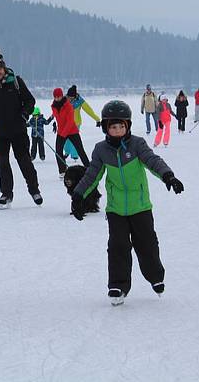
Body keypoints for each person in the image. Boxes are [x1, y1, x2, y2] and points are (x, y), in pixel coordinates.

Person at [70, 100, 184, 306]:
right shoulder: (101, 150)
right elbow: (91, 175)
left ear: (128, 126)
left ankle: (155, 276)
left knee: (147, 245)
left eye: (121, 126)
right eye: (113, 127)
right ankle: (118, 286)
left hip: (140, 207)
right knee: (117, 246)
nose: (117, 130)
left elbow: (152, 160)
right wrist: (78, 196)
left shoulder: (137, 144)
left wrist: (168, 176)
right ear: (106, 128)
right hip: (116, 210)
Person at [0, 49, 42, 208]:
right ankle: (6, 194)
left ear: (4, 69)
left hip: (18, 131)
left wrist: (25, 114)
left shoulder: (16, 82)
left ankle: (34, 190)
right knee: (3, 163)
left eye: (0, 69)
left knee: (24, 161)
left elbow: (30, 101)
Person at [51, 88, 90, 177]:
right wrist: (56, 126)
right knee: (58, 151)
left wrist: (63, 134)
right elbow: (58, 119)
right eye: (55, 97)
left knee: (80, 150)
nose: (57, 98)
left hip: (72, 131)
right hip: (61, 131)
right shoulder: (53, 106)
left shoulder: (68, 105)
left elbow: (70, 122)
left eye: (59, 96)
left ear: (62, 96)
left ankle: (88, 169)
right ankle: (62, 171)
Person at [63, 85, 101, 159]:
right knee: (66, 139)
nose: (69, 99)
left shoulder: (80, 101)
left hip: (76, 123)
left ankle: (74, 155)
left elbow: (88, 110)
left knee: (74, 139)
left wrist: (97, 119)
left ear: (74, 96)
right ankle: (67, 152)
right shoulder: (64, 100)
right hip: (66, 123)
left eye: (71, 97)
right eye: (68, 97)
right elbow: (58, 111)